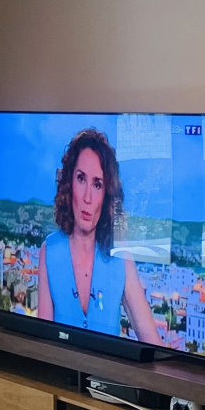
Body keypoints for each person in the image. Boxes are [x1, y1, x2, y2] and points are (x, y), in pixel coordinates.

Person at [35, 129, 164, 344]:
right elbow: (42, 345)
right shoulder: (49, 251)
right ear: (69, 184)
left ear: (106, 195)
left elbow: (153, 344)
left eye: (97, 184)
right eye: (81, 179)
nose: (87, 197)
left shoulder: (120, 256)